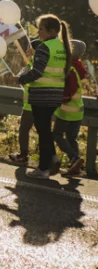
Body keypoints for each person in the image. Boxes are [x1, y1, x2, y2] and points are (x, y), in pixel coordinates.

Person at [15, 14, 72, 179]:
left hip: (41, 95)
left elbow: (37, 72)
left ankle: (43, 168)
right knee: (45, 130)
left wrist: (21, 79)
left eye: (41, 29)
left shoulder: (44, 47)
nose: (38, 32)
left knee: (44, 131)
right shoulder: (62, 46)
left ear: (52, 31)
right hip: (55, 94)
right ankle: (52, 159)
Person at [53, 39, 89, 177]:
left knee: (56, 134)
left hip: (67, 111)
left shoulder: (70, 68)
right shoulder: (80, 67)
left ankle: (74, 157)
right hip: (78, 110)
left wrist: (58, 100)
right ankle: (76, 168)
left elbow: (69, 91)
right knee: (71, 138)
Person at [9, 37, 40, 165]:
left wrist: (17, 79)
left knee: (24, 130)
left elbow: (23, 79)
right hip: (42, 102)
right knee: (43, 132)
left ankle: (23, 155)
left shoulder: (35, 64)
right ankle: (48, 158)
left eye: (30, 48)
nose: (28, 50)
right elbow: (21, 78)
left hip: (31, 104)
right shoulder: (37, 62)